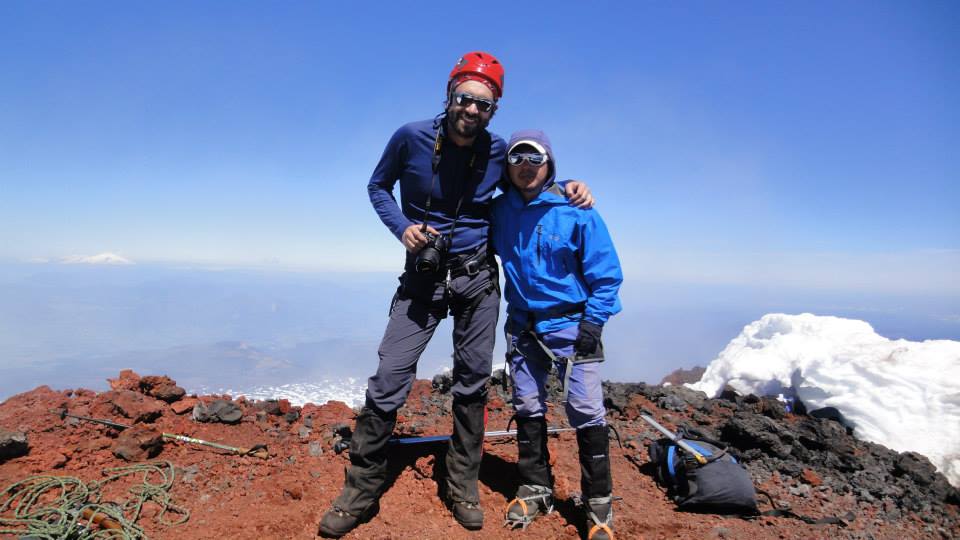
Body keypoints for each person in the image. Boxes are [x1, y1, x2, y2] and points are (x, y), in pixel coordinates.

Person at [319, 52, 594, 538]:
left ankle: (461, 484)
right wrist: (402, 227)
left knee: (472, 383)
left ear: (494, 112)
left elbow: (535, 176)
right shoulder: (410, 137)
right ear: (449, 95)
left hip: (477, 281)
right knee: (389, 377)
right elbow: (378, 186)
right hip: (423, 278)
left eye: (484, 105)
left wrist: (573, 186)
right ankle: (359, 489)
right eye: (465, 99)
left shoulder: (496, 150)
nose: (472, 110)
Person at [490, 130, 623, 540]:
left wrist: (593, 324)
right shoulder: (498, 211)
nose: (526, 167)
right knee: (528, 404)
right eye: (517, 159)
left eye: (535, 159)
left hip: (573, 323)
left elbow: (607, 275)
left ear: (549, 165)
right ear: (507, 167)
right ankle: (536, 489)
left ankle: (598, 504)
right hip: (523, 324)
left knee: (585, 409)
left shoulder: (576, 210)